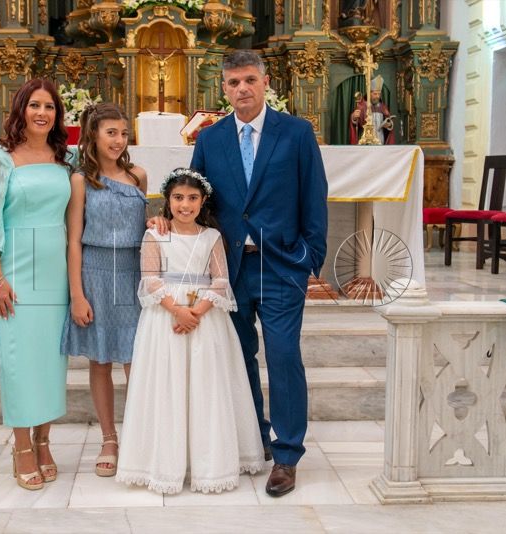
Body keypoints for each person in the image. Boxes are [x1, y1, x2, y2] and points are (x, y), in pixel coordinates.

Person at [189, 49, 328, 497]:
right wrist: (169, 225)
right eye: (233, 82)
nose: (242, 88)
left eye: (250, 79)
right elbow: (196, 201)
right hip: (228, 268)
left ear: (266, 83)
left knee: (283, 355)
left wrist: (309, 257)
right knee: (239, 355)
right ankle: (255, 436)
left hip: (280, 265)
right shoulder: (210, 140)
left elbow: (314, 197)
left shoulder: (296, 133)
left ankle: (287, 454)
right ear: (223, 88)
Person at [116, 168, 264, 494]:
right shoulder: (155, 236)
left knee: (205, 386)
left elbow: (221, 280)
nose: (185, 205)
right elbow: (150, 279)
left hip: (205, 320)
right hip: (165, 318)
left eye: (193, 198)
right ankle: (165, 462)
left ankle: (208, 463)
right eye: (178, 198)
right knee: (168, 385)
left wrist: (196, 312)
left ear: (203, 201)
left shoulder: (211, 237)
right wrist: (178, 310)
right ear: (167, 201)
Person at [0, 77, 72, 491]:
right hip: (16, 265)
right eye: (34, 105)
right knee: (18, 357)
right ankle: (21, 446)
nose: (42, 113)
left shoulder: (66, 158)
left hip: (55, 269)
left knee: (50, 358)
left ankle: (44, 440)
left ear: (57, 114)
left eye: (49, 107)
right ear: (20, 110)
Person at [61, 103, 147, 477]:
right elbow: (73, 240)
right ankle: (109, 438)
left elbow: (146, 229)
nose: (118, 140)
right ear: (93, 135)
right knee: (100, 359)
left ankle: (142, 436)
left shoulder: (138, 176)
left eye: (124, 133)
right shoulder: (81, 180)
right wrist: (77, 295)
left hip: (132, 273)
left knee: (136, 358)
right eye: (111, 132)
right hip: (95, 271)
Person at [349, 74, 394, 145]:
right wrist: (354, 117)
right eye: (375, 94)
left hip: (380, 141)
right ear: (369, 93)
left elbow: (388, 121)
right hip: (366, 142)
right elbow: (356, 122)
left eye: (379, 94)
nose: (377, 96)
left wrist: (389, 125)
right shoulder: (362, 106)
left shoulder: (383, 107)